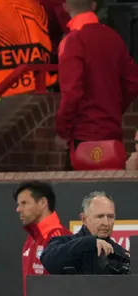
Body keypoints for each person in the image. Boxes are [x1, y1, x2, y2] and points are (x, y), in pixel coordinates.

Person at [55, 0, 138, 170]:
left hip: (83, 137)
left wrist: (62, 131)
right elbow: (133, 82)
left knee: (76, 186)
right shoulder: (114, 38)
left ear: (65, 7)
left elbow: (71, 94)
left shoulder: (72, 41)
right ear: (93, 5)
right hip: (112, 133)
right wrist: (114, 108)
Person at [40, 191, 130, 275]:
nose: (106, 223)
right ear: (84, 219)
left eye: (110, 217)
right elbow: (48, 261)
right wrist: (90, 242)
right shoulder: (63, 243)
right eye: (100, 216)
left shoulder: (120, 254)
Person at [13, 181, 70, 296]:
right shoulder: (31, 238)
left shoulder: (60, 237)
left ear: (43, 203)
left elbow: (67, 291)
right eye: (18, 204)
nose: (18, 209)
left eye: (24, 203)